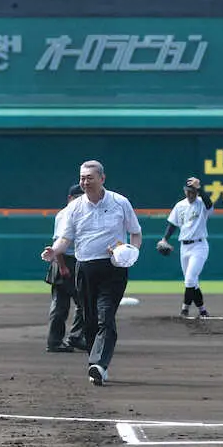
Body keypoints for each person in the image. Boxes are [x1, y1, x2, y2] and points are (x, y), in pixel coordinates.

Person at [41, 160, 142, 386]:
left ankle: (99, 364)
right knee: (89, 320)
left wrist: (131, 252)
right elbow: (65, 238)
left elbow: (135, 233)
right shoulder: (74, 208)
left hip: (113, 268)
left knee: (106, 316)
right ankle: (95, 363)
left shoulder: (120, 202)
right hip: (85, 267)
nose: (85, 182)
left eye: (89, 177)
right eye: (82, 178)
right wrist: (54, 251)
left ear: (102, 179)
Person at [160, 176, 214, 318]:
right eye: (188, 191)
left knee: (189, 279)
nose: (190, 194)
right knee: (192, 282)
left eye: (193, 191)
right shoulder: (180, 205)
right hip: (184, 247)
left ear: (197, 192)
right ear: (184, 191)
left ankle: (184, 309)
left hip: (199, 246)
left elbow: (209, 205)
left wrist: (199, 188)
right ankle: (202, 310)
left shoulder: (202, 203)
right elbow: (173, 224)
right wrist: (164, 239)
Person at [45, 183, 87, 353]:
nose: (80, 200)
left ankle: (74, 337)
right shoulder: (65, 214)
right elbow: (58, 242)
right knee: (62, 305)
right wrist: (62, 266)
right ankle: (56, 341)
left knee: (84, 303)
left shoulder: (84, 213)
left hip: (76, 261)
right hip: (64, 261)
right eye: (77, 197)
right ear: (70, 198)